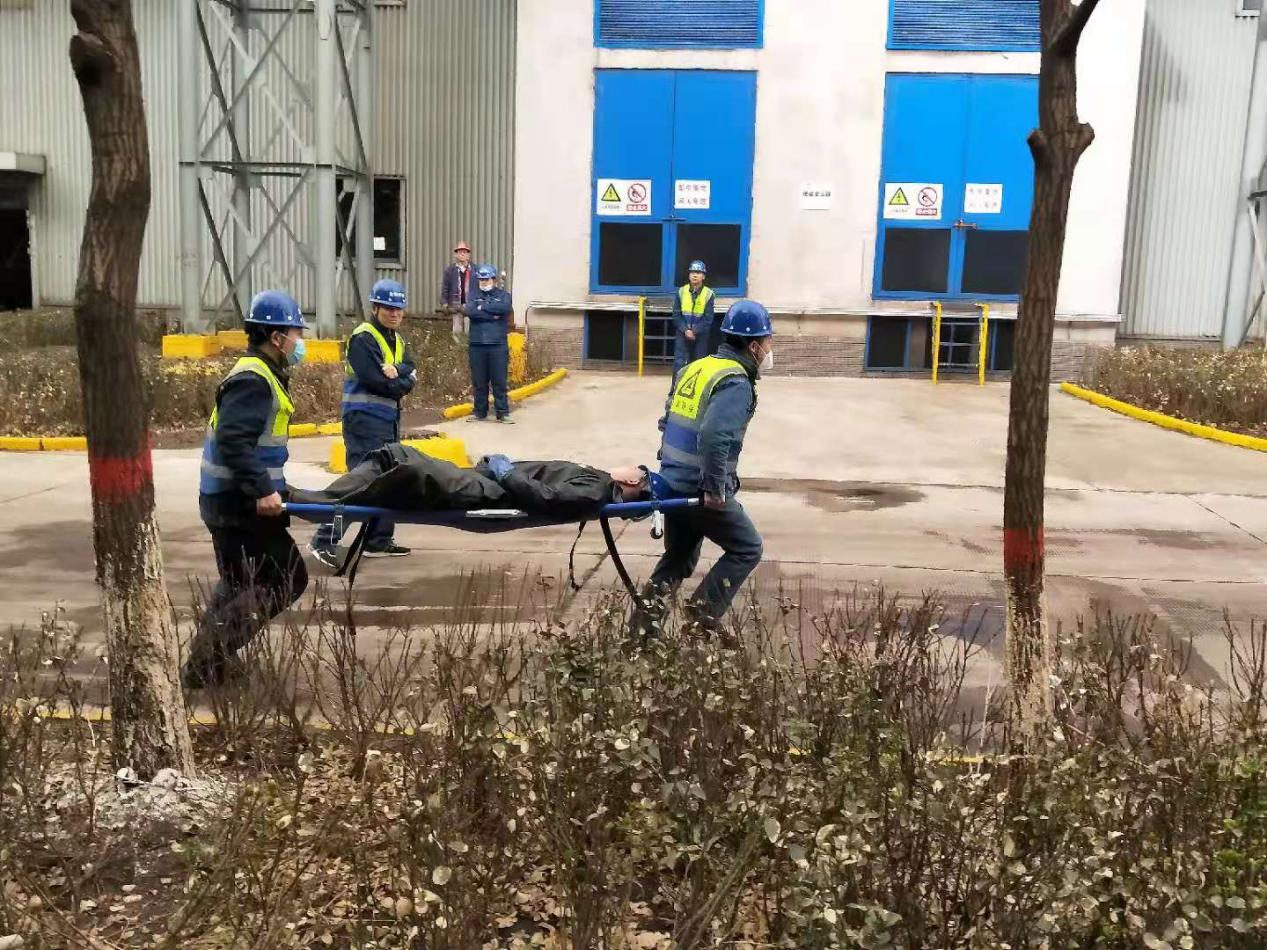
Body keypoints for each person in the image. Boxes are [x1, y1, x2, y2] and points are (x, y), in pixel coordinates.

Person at [184, 289, 311, 689]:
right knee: (287, 578)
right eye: (296, 332)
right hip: (239, 502)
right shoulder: (254, 380)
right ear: (276, 337)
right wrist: (261, 490)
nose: (299, 341)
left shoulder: (258, 372)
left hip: (227, 497)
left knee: (240, 582)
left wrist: (275, 486)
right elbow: (234, 440)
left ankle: (206, 664)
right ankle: (208, 660)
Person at [636, 299, 774, 636]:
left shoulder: (696, 368)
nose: (770, 348)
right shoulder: (735, 381)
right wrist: (714, 487)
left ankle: (641, 633)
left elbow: (667, 419)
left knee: (678, 558)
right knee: (747, 548)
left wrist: (669, 469)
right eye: (768, 340)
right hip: (699, 489)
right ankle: (701, 617)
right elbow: (714, 436)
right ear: (753, 345)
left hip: (672, 481)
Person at [308, 279, 417, 567]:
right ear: (375, 308)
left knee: (388, 480)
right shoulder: (363, 338)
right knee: (361, 483)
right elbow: (376, 381)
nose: (394, 313)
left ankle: (378, 540)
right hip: (364, 420)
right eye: (389, 308)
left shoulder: (397, 340)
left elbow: (411, 370)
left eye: (398, 308)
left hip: (388, 420)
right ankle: (324, 539)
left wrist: (399, 374)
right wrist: (402, 383)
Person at [465, 263, 514, 423]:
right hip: (477, 344)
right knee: (479, 381)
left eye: (486, 279)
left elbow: (505, 308)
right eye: (481, 279)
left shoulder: (504, 295)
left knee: (499, 381)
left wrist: (482, 307)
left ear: (494, 279)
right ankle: (480, 412)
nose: (484, 282)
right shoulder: (472, 295)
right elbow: (471, 312)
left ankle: (503, 413)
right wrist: (492, 314)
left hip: (497, 344)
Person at [671, 260, 717, 376]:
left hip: (701, 334)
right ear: (689, 275)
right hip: (683, 332)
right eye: (692, 272)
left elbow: (708, 319)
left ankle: (696, 388)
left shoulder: (708, 294)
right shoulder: (681, 292)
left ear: (703, 276)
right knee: (679, 363)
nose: (695, 275)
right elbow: (676, 315)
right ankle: (676, 387)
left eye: (698, 273)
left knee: (699, 364)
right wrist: (686, 330)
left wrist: (694, 331)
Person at [440, 240, 474, 335]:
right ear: (456, 255)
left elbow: (478, 288)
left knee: (469, 330)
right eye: (460, 252)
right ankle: (457, 344)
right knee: (456, 331)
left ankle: (468, 343)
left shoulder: (475, 270)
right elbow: (445, 288)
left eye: (464, 252)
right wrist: (444, 303)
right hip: (455, 305)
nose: (462, 254)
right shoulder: (449, 271)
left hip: (470, 305)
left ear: (468, 255)